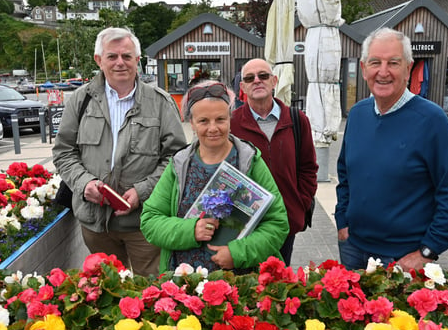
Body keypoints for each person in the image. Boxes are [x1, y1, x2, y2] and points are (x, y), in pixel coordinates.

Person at [52, 27, 187, 277]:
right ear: (99, 60)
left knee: (153, 291)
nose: (120, 63)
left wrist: (142, 191)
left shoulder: (160, 102)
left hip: (145, 222)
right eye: (112, 56)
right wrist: (85, 183)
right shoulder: (80, 101)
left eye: (127, 56)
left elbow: (176, 158)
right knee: (106, 294)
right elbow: (64, 152)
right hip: (96, 225)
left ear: (138, 60)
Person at [335, 27, 448, 271]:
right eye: (375, 62)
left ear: (409, 68)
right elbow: (345, 173)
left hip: (402, 259)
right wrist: (342, 221)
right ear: (364, 68)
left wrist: (428, 250)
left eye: (393, 63)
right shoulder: (357, 114)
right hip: (353, 249)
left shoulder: (431, 120)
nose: (383, 72)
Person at [141, 81, 289, 274]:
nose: (213, 128)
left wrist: (237, 253)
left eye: (220, 119)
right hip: (186, 286)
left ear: (230, 118)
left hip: (242, 285)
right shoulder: (179, 164)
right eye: (203, 121)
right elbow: (150, 220)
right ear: (191, 123)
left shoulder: (249, 161)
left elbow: (277, 223)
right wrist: (191, 230)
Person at [230, 58, 318, 266]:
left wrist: (300, 204)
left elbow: (308, 168)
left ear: (274, 81)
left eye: (263, 76)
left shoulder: (297, 120)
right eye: (250, 78)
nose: (257, 81)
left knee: (279, 279)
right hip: (245, 225)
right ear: (242, 87)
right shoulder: (232, 122)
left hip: (285, 221)